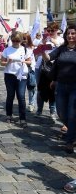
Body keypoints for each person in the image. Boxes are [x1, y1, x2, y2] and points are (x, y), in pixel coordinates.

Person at [42, 24, 76, 153]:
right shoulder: (62, 49)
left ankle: (70, 141)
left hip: (75, 86)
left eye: (73, 33)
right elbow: (49, 58)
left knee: (72, 114)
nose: (70, 36)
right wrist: (43, 50)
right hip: (61, 85)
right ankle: (73, 132)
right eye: (68, 34)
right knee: (61, 113)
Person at [0, 31, 32, 127]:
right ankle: (9, 115)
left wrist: (24, 61)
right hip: (10, 75)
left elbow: (30, 62)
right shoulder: (7, 50)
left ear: (21, 40)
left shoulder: (25, 50)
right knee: (10, 95)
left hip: (22, 75)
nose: (15, 42)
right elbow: (1, 62)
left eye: (17, 41)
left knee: (21, 96)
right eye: (13, 40)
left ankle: (22, 118)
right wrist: (7, 62)